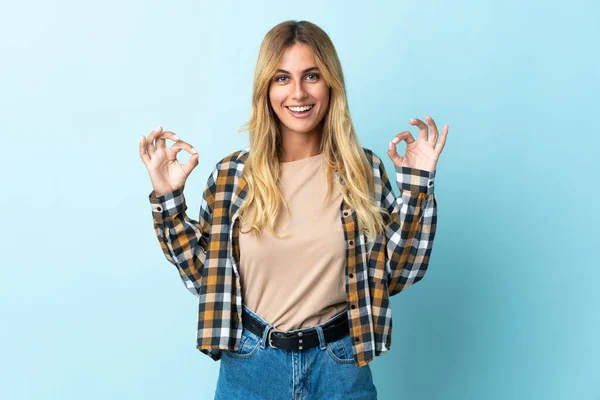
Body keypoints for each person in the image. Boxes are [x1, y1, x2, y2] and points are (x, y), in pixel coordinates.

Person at [139, 20, 447, 400]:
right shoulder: (232, 176)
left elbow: (396, 274)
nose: (298, 92)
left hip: (340, 366)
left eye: (311, 76)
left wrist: (417, 186)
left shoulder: (362, 172)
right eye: (282, 78)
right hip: (250, 366)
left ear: (331, 83)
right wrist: (168, 198)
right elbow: (206, 277)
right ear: (266, 89)